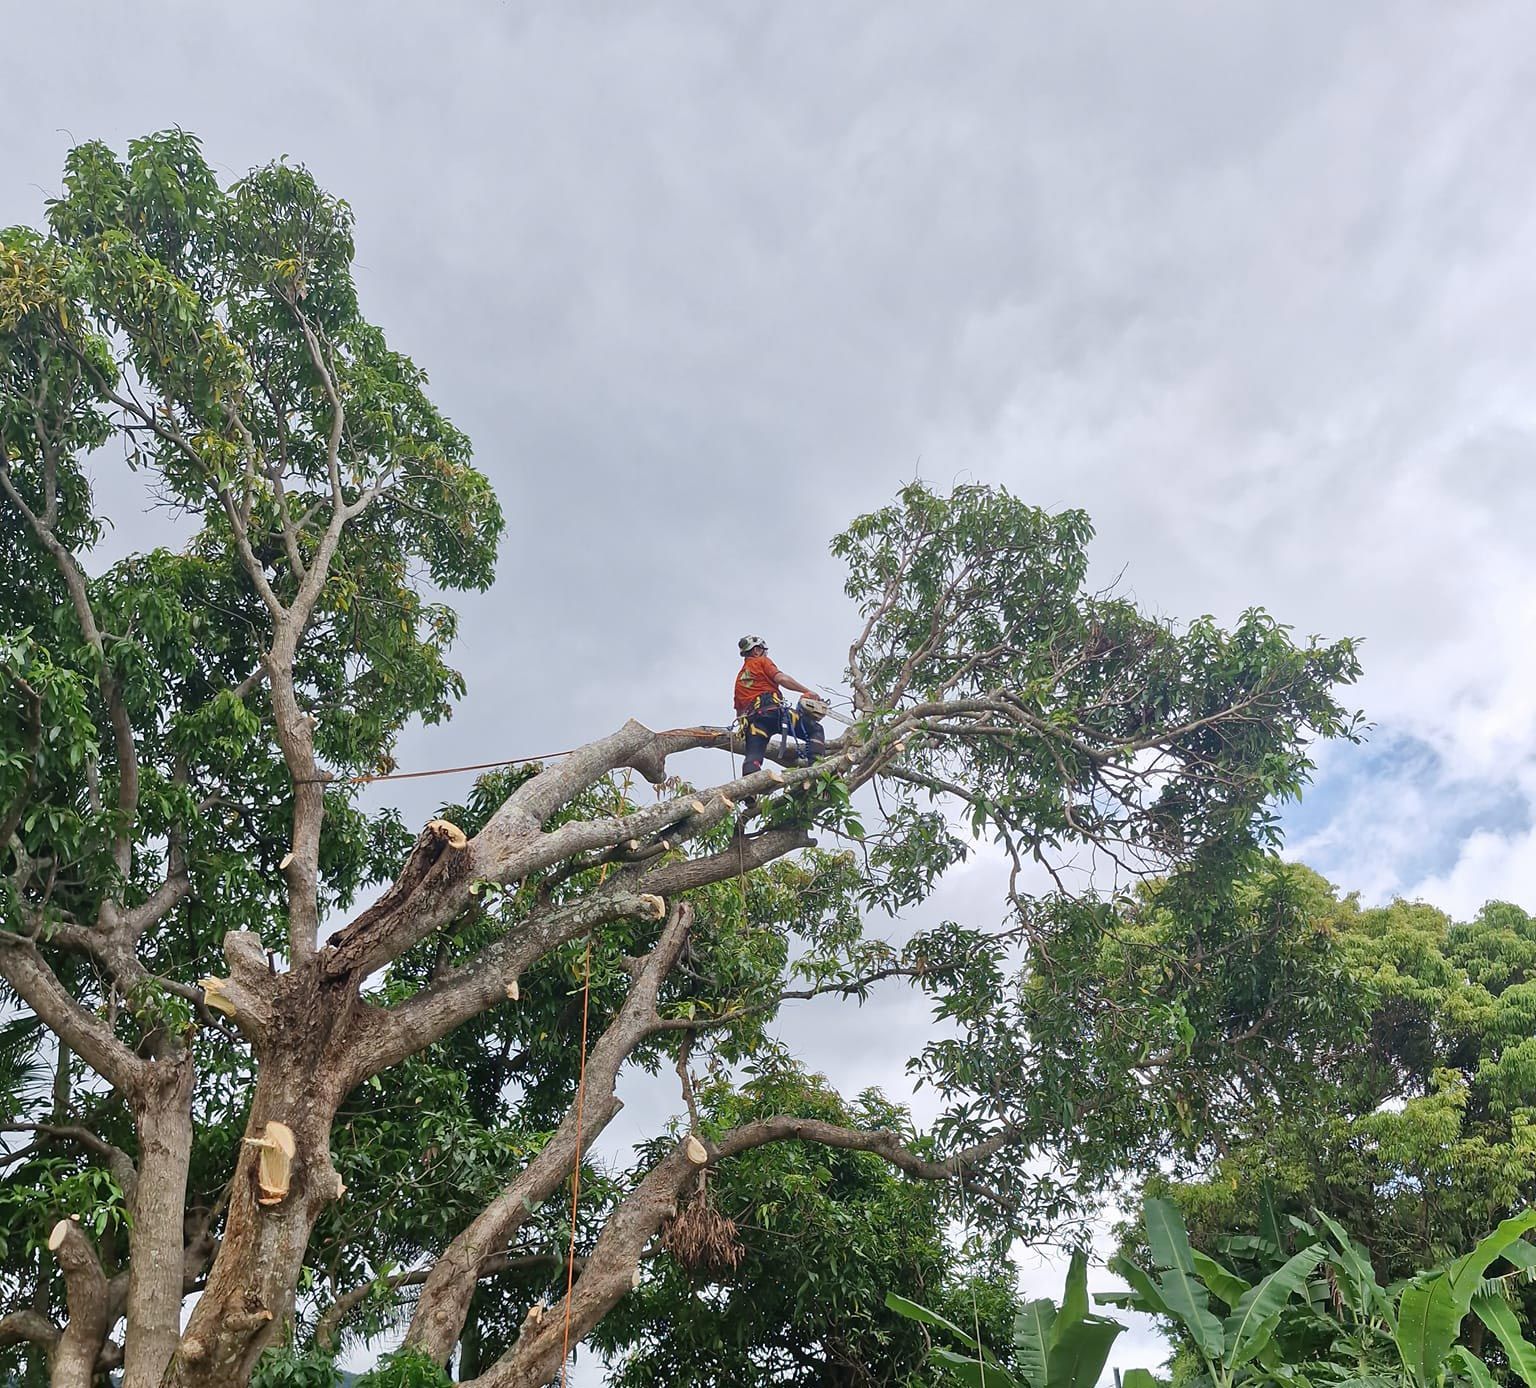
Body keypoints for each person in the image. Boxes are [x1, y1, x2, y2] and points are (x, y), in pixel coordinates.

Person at [733, 635, 827, 774]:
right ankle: (817, 772)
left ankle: (748, 794)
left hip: (755, 724)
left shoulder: (739, 679)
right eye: (764, 651)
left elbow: (740, 714)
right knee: (816, 729)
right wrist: (807, 692)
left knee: (753, 756)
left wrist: (745, 733)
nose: (765, 654)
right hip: (773, 713)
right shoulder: (762, 661)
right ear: (757, 651)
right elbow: (782, 679)